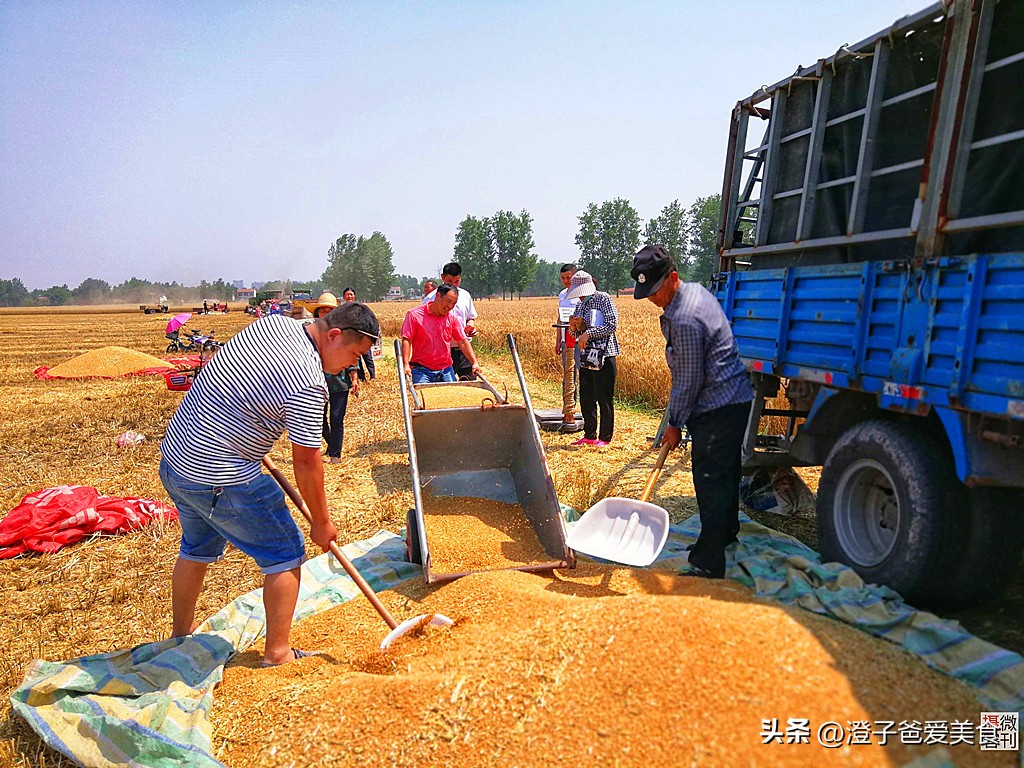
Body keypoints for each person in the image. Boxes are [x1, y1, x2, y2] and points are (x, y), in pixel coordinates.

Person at [159, 300, 379, 666]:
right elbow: (307, 461)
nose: (353, 364)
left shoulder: (274, 325)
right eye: (354, 354)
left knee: (196, 547)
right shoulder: (309, 380)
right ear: (335, 335)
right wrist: (322, 523)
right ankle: (277, 654)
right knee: (285, 551)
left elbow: (230, 372)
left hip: (177, 461)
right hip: (220, 475)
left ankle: (181, 633)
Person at [632, 244, 754, 579]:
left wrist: (675, 424)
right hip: (732, 398)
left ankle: (708, 560)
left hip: (717, 403)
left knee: (710, 477)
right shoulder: (689, 297)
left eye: (656, 290)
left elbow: (688, 378)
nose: (653, 298)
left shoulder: (685, 317)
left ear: (673, 278)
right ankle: (725, 533)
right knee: (725, 472)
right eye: (647, 293)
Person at [566, 271, 619, 447]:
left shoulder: (603, 299)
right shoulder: (579, 306)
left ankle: (605, 437)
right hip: (586, 357)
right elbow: (575, 333)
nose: (579, 296)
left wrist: (589, 333)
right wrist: (573, 327)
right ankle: (589, 435)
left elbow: (612, 324)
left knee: (604, 397)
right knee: (586, 396)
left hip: (604, 355)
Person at [311, 292, 365, 464]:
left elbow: (352, 357)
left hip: (339, 383)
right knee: (318, 419)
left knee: (336, 418)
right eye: (322, 310)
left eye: (330, 310)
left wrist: (354, 378)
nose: (325, 313)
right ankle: (331, 444)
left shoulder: (344, 333)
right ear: (317, 312)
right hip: (317, 383)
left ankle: (336, 454)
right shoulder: (311, 332)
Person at [402, 283, 481, 383]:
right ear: (438, 295)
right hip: (422, 370)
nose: (450, 306)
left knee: (451, 398)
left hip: (446, 369)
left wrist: (474, 362)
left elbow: (462, 341)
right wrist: (405, 365)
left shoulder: (452, 318)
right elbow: (407, 340)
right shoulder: (414, 315)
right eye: (448, 301)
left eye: (453, 303)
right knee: (423, 398)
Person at [422, 262, 478, 379]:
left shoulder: (465, 296)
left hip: (463, 350)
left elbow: (470, 317)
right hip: (441, 351)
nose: (454, 285)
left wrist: (470, 326)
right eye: (449, 282)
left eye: (457, 281)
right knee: (445, 389)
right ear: (442, 278)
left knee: (469, 384)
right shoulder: (431, 298)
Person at [555, 263, 580, 432]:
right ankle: (568, 409)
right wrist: (558, 340)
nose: (565, 281)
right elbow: (560, 317)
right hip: (566, 340)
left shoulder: (581, 296)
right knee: (568, 375)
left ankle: (579, 408)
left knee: (580, 374)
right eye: (563, 278)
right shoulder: (562, 295)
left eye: (568, 277)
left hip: (580, 341)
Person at [342, 287, 375, 380]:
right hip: (351, 338)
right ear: (344, 297)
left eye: (351, 294)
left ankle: (373, 376)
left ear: (354, 296)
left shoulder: (360, 308)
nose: (349, 296)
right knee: (357, 358)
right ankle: (362, 378)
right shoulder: (342, 310)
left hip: (363, 336)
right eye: (347, 294)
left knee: (367, 356)